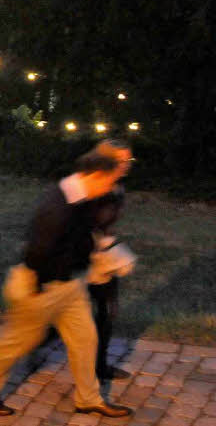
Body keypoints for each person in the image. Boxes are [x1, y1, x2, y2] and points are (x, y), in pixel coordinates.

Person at [0, 152, 133, 419]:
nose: (111, 187)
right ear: (95, 175)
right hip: (39, 286)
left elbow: (86, 235)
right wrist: (40, 287)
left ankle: (88, 399)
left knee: (85, 339)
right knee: (16, 343)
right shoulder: (58, 205)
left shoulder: (83, 198)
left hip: (69, 285)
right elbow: (37, 252)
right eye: (110, 180)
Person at [88, 139, 136, 382]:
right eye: (121, 161)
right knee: (68, 313)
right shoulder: (91, 187)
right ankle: (35, 343)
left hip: (104, 258)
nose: (126, 165)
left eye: (129, 160)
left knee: (107, 312)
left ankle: (99, 366)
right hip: (84, 258)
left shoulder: (117, 188)